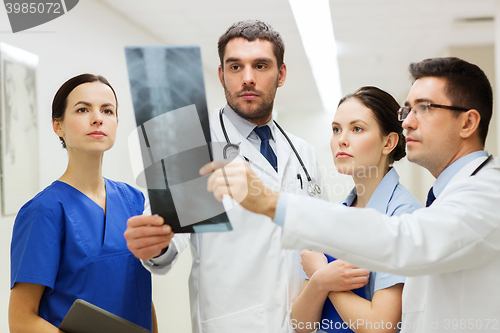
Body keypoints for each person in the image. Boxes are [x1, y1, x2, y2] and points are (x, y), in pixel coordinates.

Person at [203, 57, 500, 333]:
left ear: (468, 123)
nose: (408, 121)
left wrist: (273, 203)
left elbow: (404, 241)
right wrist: (320, 281)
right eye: (406, 110)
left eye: (424, 108)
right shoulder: (446, 197)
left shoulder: (487, 193)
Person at [124, 20, 326, 333]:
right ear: (221, 75)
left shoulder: (303, 152)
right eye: (235, 67)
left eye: (260, 65)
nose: (248, 78)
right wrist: (155, 244)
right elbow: (167, 244)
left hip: (303, 322)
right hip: (234, 323)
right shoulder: (193, 148)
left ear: (281, 74)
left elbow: (318, 238)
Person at [9, 74, 157, 333]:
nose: (98, 118)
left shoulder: (135, 201)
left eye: (107, 110)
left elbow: (142, 298)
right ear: (58, 126)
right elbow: (21, 320)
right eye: (82, 109)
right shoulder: (44, 211)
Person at [291, 86, 422, 333]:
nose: (341, 139)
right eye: (336, 129)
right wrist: (321, 282)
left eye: (357, 128)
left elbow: (381, 326)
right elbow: (301, 325)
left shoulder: (403, 216)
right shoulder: (335, 216)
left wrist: (321, 277)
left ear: (389, 142)